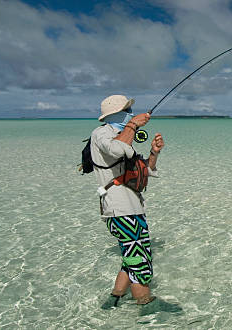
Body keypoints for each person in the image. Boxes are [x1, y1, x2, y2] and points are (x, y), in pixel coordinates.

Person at [91, 95, 164, 309]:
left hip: (133, 207)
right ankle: (146, 306)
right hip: (119, 209)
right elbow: (115, 149)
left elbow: (145, 171)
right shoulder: (101, 133)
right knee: (139, 259)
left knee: (130, 255)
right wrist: (133, 125)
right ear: (114, 114)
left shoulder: (123, 135)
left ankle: (115, 297)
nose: (131, 114)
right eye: (127, 111)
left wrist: (154, 152)